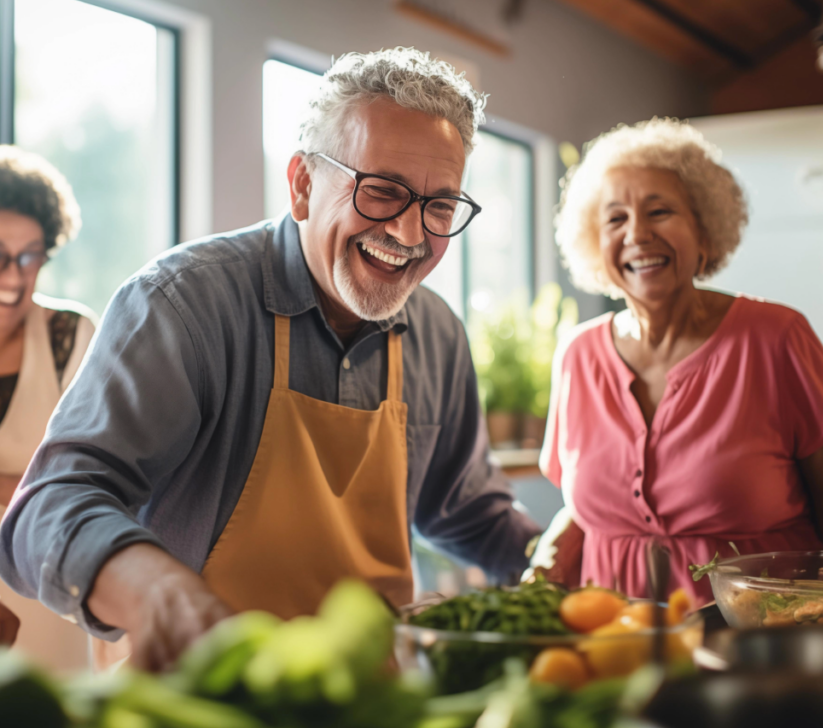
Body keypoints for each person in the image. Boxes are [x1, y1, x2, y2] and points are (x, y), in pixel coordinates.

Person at [0, 48, 540, 671]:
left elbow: (466, 509)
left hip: (371, 700)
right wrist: (161, 593)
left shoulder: (437, 333)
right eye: (384, 192)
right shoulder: (183, 303)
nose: (411, 234)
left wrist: (568, 567)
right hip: (201, 697)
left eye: (440, 206)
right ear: (304, 185)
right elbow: (50, 505)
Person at [531, 118, 823, 605]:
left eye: (659, 211)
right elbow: (589, 507)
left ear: (705, 231)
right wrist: (534, 582)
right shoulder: (578, 355)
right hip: (615, 653)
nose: (637, 233)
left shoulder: (776, 338)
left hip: (758, 647)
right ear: (596, 245)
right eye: (615, 218)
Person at [0, 146, 96, 670]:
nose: (15, 277)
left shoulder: (70, 336)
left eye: (31, 255)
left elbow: (81, 483)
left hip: (46, 591)